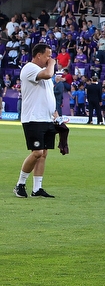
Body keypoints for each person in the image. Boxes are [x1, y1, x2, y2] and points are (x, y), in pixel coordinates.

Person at [15, 43, 58, 198]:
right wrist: (52, 64)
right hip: (33, 118)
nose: (49, 59)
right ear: (38, 55)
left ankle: (37, 188)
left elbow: (47, 95)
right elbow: (47, 74)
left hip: (46, 118)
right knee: (37, 152)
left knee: (44, 153)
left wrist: (55, 114)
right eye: (47, 55)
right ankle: (20, 184)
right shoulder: (29, 68)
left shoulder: (42, 71)